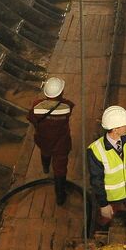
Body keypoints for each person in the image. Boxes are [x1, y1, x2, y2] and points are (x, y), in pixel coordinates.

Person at [87, 105, 126, 234]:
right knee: (104, 219)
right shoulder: (96, 150)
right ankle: (97, 234)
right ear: (115, 129)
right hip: (112, 196)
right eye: (124, 125)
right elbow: (96, 181)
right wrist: (103, 204)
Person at [27, 77, 74, 207]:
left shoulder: (37, 106)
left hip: (44, 140)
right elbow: (68, 107)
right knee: (60, 168)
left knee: (45, 152)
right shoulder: (67, 106)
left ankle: (46, 167)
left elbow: (31, 118)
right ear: (61, 93)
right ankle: (60, 197)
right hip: (61, 144)